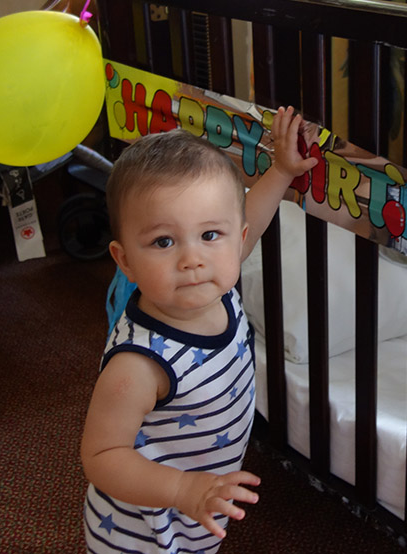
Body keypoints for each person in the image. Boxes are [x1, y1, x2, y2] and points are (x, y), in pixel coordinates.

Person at [81, 106, 318, 553]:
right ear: (125, 260)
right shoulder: (139, 363)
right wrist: (182, 491)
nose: (192, 259)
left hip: (196, 514)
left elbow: (248, 223)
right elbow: (101, 457)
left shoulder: (216, 287)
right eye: (163, 242)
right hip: (141, 532)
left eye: (210, 235)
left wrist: (283, 170)